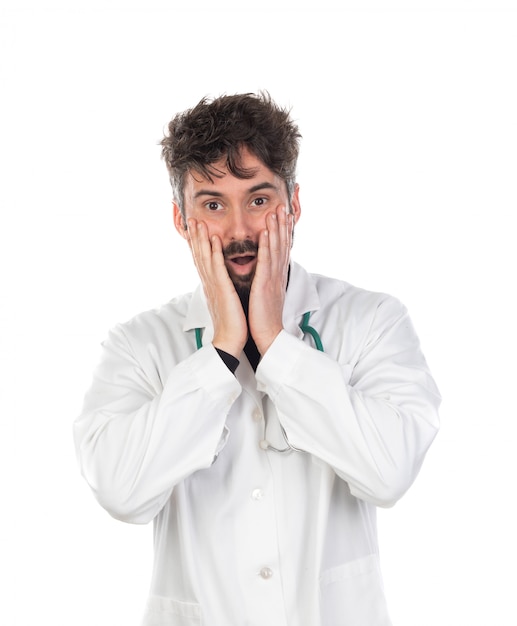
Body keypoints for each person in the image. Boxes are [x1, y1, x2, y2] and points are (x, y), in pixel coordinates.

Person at [74, 92, 441, 626]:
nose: (241, 231)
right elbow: (122, 492)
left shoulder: (371, 321)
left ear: (293, 204)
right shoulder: (139, 344)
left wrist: (274, 342)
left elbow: (388, 473)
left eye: (260, 199)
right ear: (181, 219)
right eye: (214, 204)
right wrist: (221, 350)